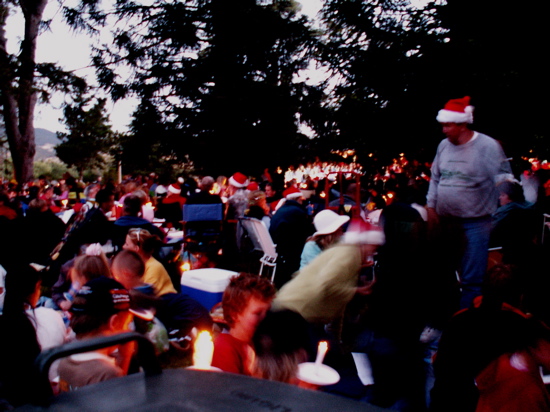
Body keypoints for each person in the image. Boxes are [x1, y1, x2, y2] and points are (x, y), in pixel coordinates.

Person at [426, 96, 512, 309]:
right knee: (442, 274)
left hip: (475, 223)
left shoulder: (487, 146)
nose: (444, 130)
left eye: (448, 125)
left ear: (463, 123)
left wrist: (498, 201)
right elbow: (436, 177)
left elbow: (504, 178)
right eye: (443, 125)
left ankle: (464, 326)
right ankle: (442, 322)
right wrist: (430, 206)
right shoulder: (443, 146)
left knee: (472, 280)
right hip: (445, 221)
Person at [58, 277, 136, 392]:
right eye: (127, 324)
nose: (128, 330)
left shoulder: (64, 361)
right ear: (114, 323)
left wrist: (124, 357)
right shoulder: (108, 374)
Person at [112, 249, 212, 338]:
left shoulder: (138, 298)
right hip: (196, 313)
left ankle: (188, 335)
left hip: (194, 317)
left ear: (126, 274)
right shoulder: (147, 289)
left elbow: (142, 331)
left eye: (116, 276)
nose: (115, 280)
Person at [211, 273, 276, 375]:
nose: (265, 318)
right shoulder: (224, 348)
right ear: (234, 315)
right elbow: (231, 388)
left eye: (267, 312)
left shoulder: (260, 341)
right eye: (257, 313)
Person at [269, 187, 314, 288]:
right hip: (289, 252)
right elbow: (306, 232)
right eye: (302, 199)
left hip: (279, 248)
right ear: (297, 199)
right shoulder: (297, 212)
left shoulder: (282, 210)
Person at [122, 228, 177, 296]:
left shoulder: (154, 268)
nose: (123, 246)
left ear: (136, 249)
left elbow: (146, 298)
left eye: (127, 244)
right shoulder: (134, 265)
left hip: (164, 303)